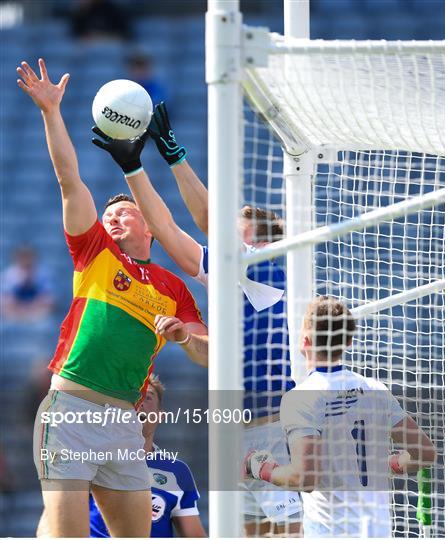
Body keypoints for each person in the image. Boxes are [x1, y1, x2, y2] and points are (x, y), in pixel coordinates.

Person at [16, 59, 208, 538]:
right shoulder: (94, 252)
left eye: (125, 212)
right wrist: (50, 113)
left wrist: (184, 335)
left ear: (151, 224)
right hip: (72, 411)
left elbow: (209, 356)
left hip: (124, 422)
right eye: (110, 217)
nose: (114, 220)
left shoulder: (173, 288)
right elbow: (68, 179)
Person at [92, 103, 302, 536]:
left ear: (258, 240)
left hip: (274, 425)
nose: (225, 230)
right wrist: (133, 167)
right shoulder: (231, 278)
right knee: (253, 533)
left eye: (237, 226)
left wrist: (174, 155)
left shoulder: (269, 270)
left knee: (289, 532)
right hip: (235, 430)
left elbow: (205, 222)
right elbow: (167, 230)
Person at [244, 296, 437, 538]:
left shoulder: (300, 398)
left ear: (304, 341)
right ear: (348, 340)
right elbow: (425, 453)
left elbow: (305, 478)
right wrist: (390, 463)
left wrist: (262, 469)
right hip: (378, 532)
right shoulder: (375, 389)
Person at [36, 375, 207, 538]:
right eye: (134, 397)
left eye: (147, 397)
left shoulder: (177, 471)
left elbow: (195, 535)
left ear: (161, 415)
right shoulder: (89, 459)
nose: (139, 403)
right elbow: (52, 523)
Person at [1, 246, 55, 323]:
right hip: (15, 314)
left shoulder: (44, 275)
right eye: (23, 257)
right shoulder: (8, 275)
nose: (26, 261)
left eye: (28, 257)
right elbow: (6, 301)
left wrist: (31, 309)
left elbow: (49, 301)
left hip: (36, 314)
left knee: (45, 319)